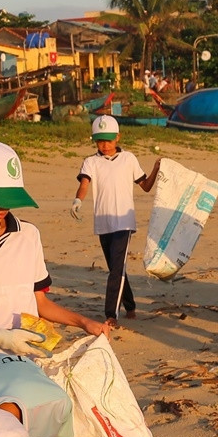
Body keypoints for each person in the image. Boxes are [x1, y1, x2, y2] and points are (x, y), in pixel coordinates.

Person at [0, 139, 110, 363]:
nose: (3, 208)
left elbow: (40, 303)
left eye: (10, 199)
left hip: (27, 360)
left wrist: (84, 323)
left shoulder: (28, 235)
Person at [71, 116, 157, 326]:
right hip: (103, 222)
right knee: (116, 268)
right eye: (100, 141)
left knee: (116, 269)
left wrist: (156, 169)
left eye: (109, 140)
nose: (105, 145)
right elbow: (84, 183)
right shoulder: (91, 162)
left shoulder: (129, 159)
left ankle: (111, 314)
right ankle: (130, 305)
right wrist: (77, 200)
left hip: (124, 222)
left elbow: (145, 185)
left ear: (118, 137)